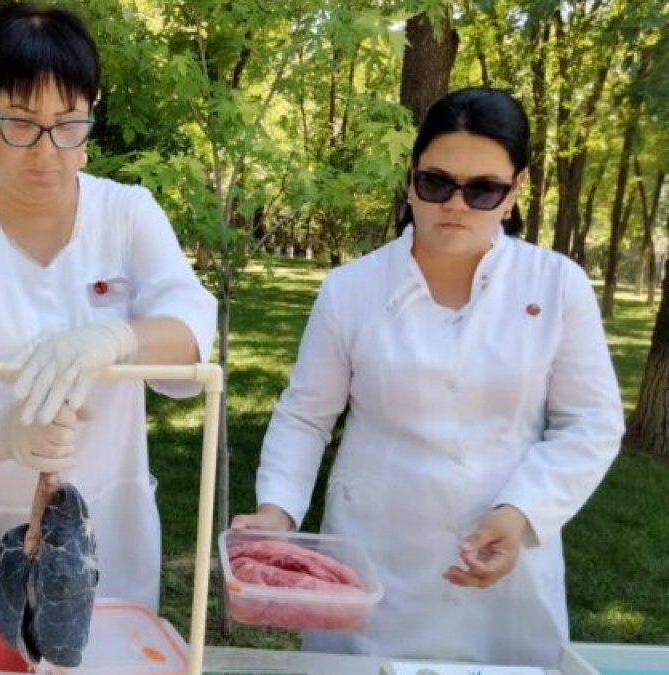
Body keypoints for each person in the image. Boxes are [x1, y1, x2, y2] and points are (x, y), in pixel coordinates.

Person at [232, 87, 624, 667]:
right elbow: (306, 416)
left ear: (516, 191)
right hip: (376, 557)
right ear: (411, 178)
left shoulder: (557, 286)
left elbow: (591, 422)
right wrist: (277, 510)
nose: (456, 205)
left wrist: (522, 510)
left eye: (482, 190)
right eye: (437, 183)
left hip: (507, 562)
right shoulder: (351, 289)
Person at [0, 3, 216, 611]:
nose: (46, 150)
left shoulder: (128, 214)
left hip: (105, 537)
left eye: (68, 124)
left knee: (99, 646)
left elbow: (191, 326)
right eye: (22, 123)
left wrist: (115, 340)